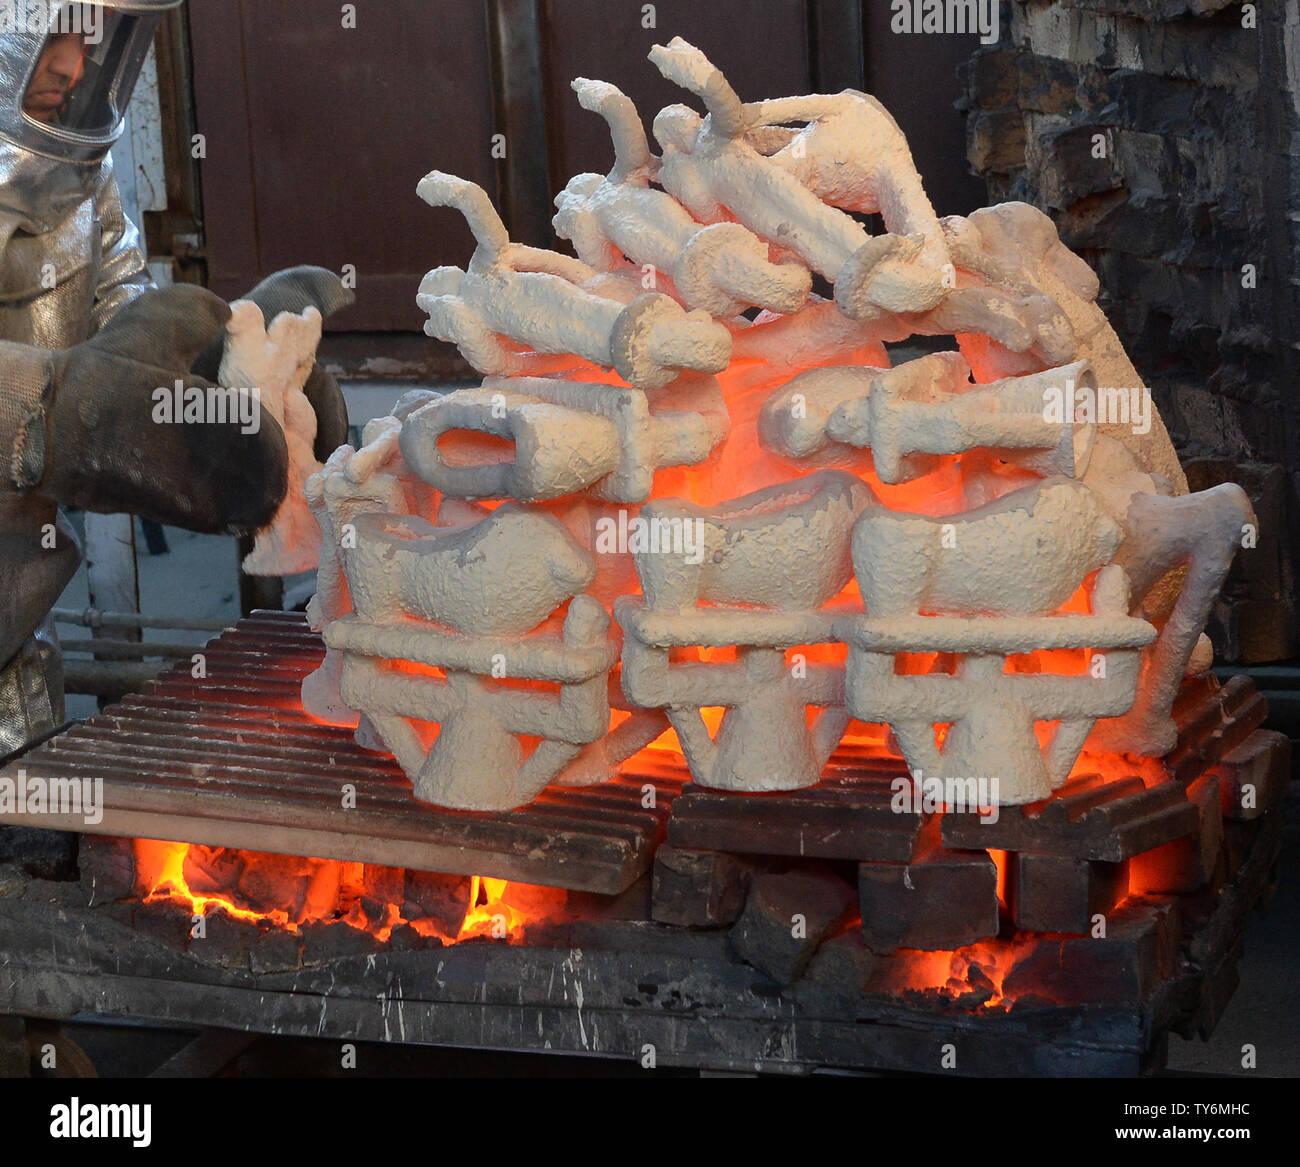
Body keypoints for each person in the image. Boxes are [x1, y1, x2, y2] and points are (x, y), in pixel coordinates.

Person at [0, 1, 352, 757]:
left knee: (37, 835)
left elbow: (122, 314)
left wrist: (224, 361)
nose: (71, 64)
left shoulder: (72, 168)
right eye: (54, 31)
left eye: (91, 37)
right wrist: (46, 413)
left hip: (14, 624)